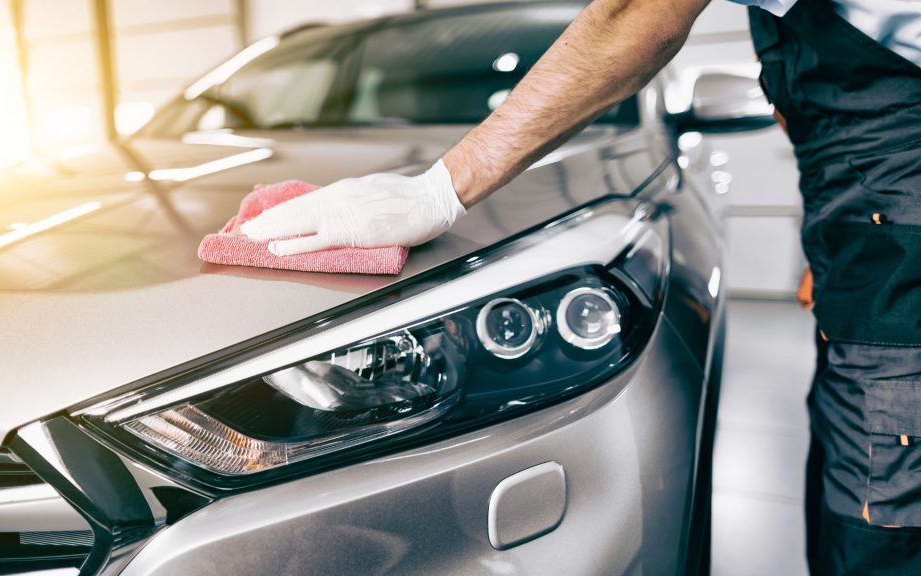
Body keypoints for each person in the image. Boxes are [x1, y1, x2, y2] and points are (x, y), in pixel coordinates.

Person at [242, 0, 921, 572]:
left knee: (883, 488)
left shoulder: (635, 180)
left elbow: (635, 13)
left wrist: (443, 187)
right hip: (875, 234)